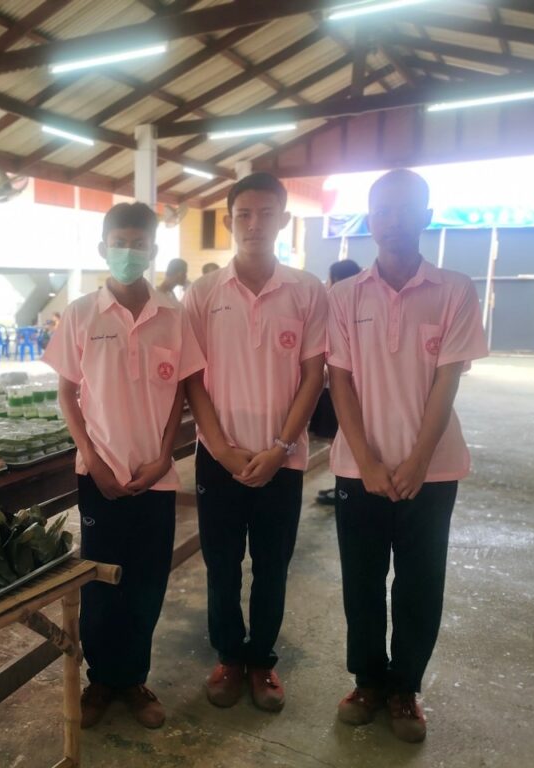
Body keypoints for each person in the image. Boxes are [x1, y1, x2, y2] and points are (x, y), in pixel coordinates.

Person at [327, 169, 487, 743]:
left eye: (404, 208)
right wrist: (368, 461)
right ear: (370, 219)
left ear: (426, 216)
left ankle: (405, 689)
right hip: (358, 469)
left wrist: (419, 460)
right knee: (362, 582)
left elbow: (448, 380)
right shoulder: (344, 296)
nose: (392, 220)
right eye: (381, 210)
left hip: (433, 470)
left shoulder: (454, 290)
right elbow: (340, 381)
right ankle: (368, 681)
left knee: (420, 583)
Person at [43, 202, 205, 731]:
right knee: (98, 581)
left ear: (153, 250)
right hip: (100, 476)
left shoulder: (174, 317)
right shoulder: (81, 314)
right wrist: (92, 460)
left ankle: (133, 678)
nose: (129, 253)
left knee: (147, 581)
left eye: (139, 244)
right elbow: (67, 395)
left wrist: (163, 458)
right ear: (103, 248)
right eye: (120, 243)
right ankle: (100, 681)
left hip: (156, 478)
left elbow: (181, 394)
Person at [184, 172, 328, 715]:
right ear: (229, 221)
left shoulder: (306, 291)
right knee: (221, 565)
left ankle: (262, 659)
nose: (254, 224)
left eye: (267, 214)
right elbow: (193, 380)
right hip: (218, 458)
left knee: (272, 565)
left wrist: (280, 446)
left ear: (283, 220)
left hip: (281, 459)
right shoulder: (203, 294)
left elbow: (313, 376)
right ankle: (228, 657)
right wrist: (221, 448)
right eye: (243, 214)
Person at [312, 259, 363, 505]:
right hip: (355, 390)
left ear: (333, 279)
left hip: (336, 388)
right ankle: (343, 485)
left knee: (339, 439)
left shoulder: (334, 302)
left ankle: (343, 486)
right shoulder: (364, 302)